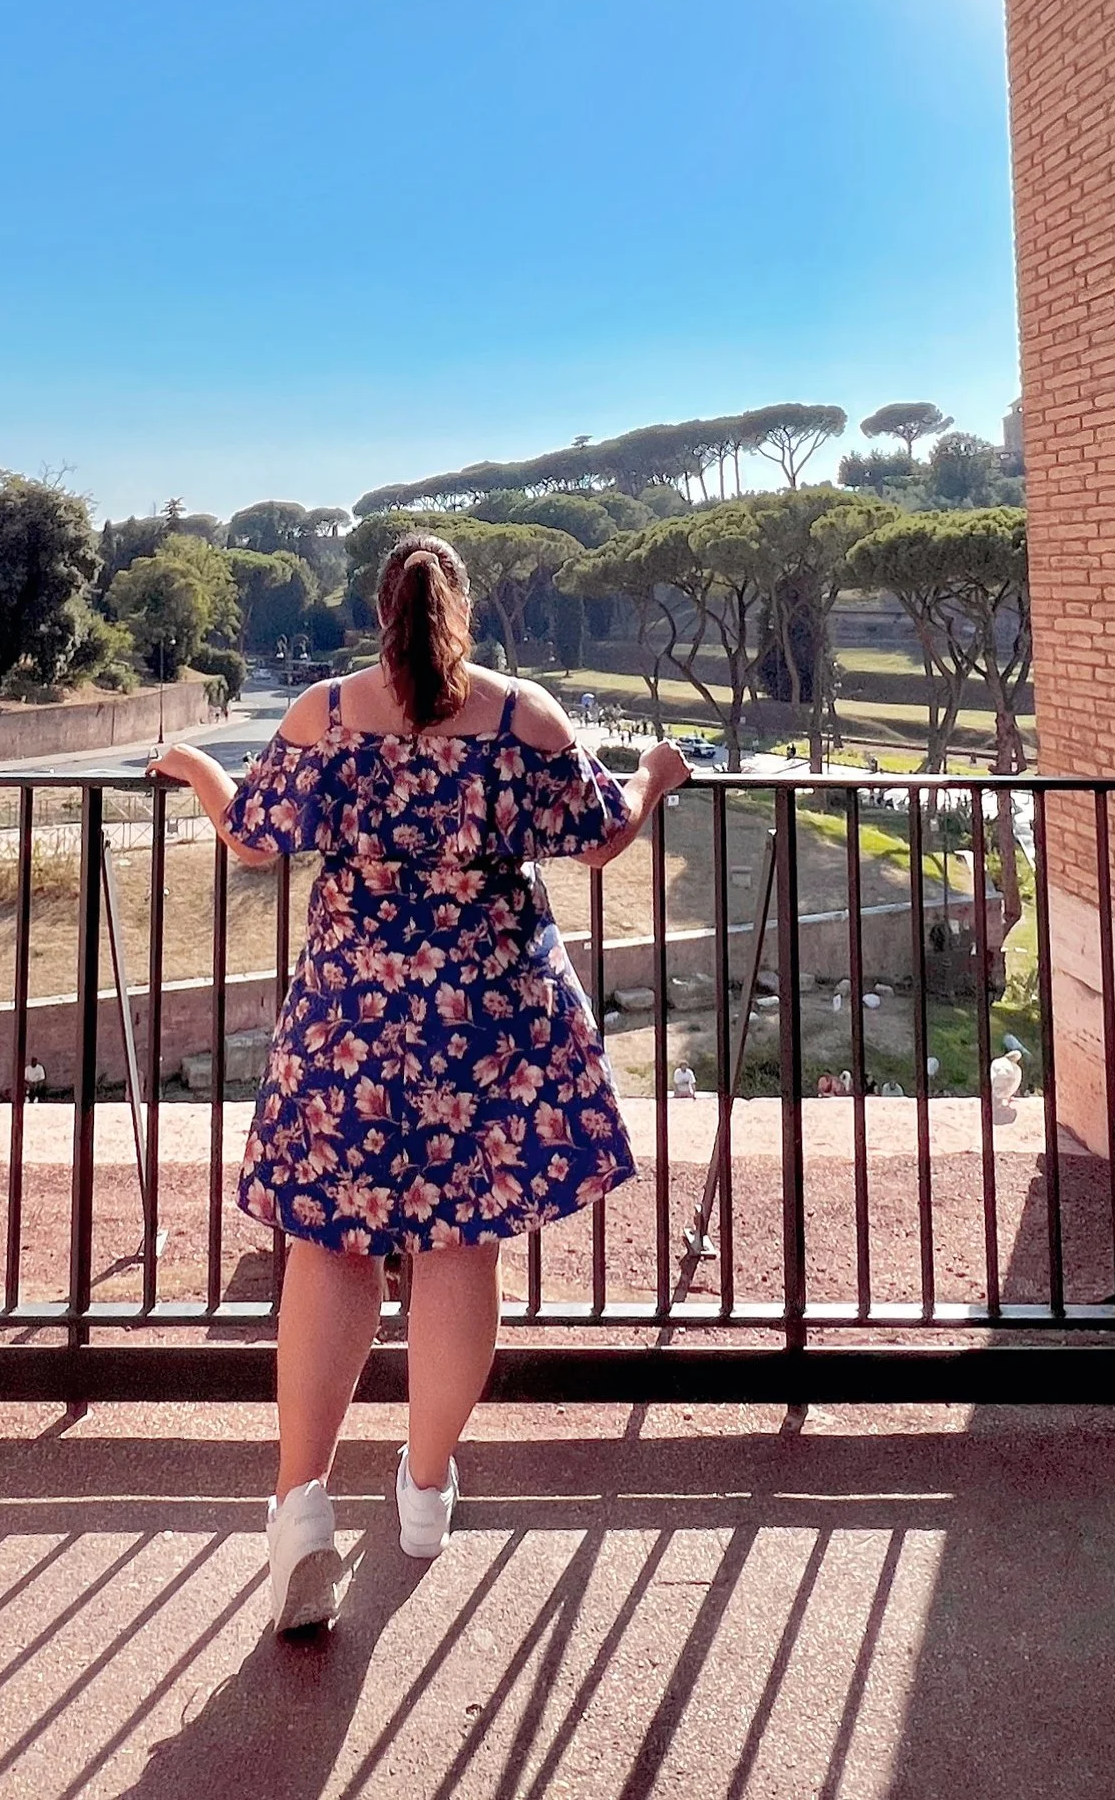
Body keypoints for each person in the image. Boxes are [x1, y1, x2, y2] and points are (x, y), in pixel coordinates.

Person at [149, 528, 689, 1635]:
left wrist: (196, 765)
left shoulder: (327, 712)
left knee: (330, 1245)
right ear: (462, 604)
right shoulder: (518, 712)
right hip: (486, 1025)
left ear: (376, 605)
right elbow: (600, 838)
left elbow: (253, 837)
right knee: (458, 1247)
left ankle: (300, 1507)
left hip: (350, 1021)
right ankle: (426, 1487)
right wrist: (655, 774)